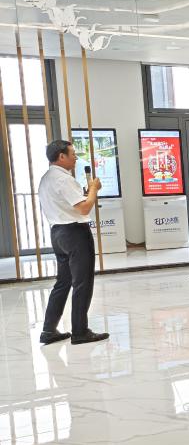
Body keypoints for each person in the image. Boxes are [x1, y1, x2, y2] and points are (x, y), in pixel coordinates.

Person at [37, 139, 109, 345]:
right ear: (61, 156)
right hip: (75, 233)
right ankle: (80, 331)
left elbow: (72, 203)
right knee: (82, 282)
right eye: (73, 154)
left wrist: (87, 193)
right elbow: (84, 208)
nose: (76, 158)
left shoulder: (46, 178)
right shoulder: (63, 179)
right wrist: (94, 188)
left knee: (63, 282)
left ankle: (49, 330)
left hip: (58, 233)